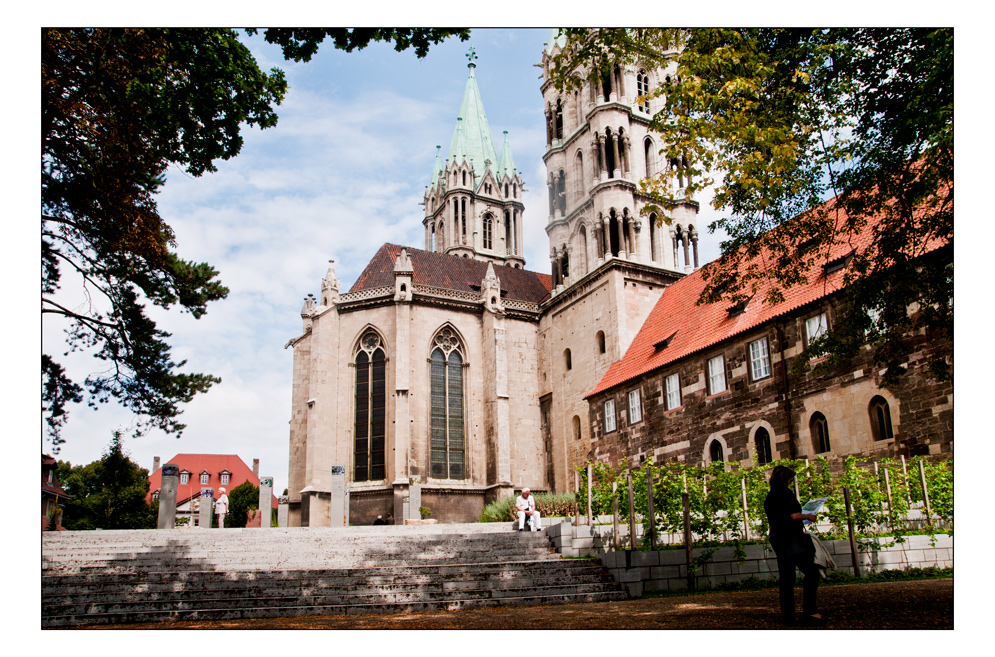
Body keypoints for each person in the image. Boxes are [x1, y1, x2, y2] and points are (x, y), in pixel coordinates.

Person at [764, 465, 823, 625]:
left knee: (787, 577)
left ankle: (788, 615)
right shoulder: (785, 494)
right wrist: (807, 516)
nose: (791, 481)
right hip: (791, 539)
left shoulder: (770, 496)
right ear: (785, 479)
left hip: (778, 538)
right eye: (790, 479)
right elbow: (793, 516)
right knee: (811, 573)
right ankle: (810, 611)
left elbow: (779, 518)